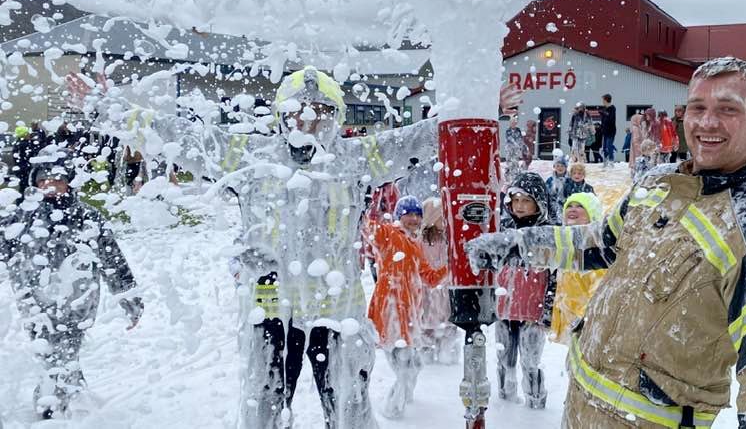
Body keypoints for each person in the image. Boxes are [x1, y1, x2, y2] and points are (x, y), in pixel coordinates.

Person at [69, 67, 443, 429]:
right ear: (281, 116)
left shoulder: (356, 158)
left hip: (336, 312)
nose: (307, 121)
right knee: (263, 410)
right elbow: (181, 137)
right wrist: (108, 109)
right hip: (270, 311)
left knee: (350, 410)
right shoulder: (250, 156)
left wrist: (474, 110)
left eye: (321, 113)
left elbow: (417, 139)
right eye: (296, 112)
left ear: (336, 117)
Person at [468, 56, 746, 428]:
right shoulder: (658, 184)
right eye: (698, 107)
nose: (708, 122)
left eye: (728, 109)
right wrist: (517, 245)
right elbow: (595, 242)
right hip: (580, 412)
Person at [0, 158, 144, 419]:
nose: (50, 186)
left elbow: (112, 259)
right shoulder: (18, 218)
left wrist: (130, 298)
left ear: (69, 184)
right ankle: (71, 392)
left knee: (65, 349)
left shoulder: (87, 217)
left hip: (78, 303)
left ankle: (51, 407)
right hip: (34, 302)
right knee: (47, 351)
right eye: (43, 181)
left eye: (57, 180)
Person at [367, 196, 448, 419]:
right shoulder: (389, 234)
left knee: (413, 364)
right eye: (408, 214)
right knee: (404, 366)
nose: (413, 219)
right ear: (398, 216)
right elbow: (369, 228)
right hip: (389, 310)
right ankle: (393, 410)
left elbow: (430, 278)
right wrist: (371, 200)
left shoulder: (414, 244)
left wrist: (450, 264)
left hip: (409, 314)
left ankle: (402, 400)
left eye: (417, 215)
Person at [494, 171, 556, 409]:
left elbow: (555, 278)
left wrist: (548, 311)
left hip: (533, 312)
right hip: (504, 308)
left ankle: (535, 403)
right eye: (515, 200)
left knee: (530, 361)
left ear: (538, 203)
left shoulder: (548, 233)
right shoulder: (503, 230)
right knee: (504, 358)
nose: (519, 206)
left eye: (526, 200)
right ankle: (505, 402)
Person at [550, 192, 605, 345]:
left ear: (592, 214)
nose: (573, 210)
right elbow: (562, 291)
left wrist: (582, 323)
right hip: (570, 328)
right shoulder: (567, 247)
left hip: (586, 330)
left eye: (580, 206)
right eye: (569, 206)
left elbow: (598, 294)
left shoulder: (595, 249)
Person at [418, 198, 459, 365]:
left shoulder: (450, 239)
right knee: (426, 322)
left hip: (446, 288)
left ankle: (448, 353)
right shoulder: (421, 241)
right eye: (441, 217)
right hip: (428, 289)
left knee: (447, 320)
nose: (445, 221)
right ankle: (426, 353)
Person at [545, 156, 568, 223]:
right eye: (558, 166)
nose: (560, 168)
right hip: (552, 210)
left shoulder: (570, 180)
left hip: (566, 209)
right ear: (554, 167)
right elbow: (546, 194)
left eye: (562, 166)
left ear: (566, 167)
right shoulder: (550, 180)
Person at [503, 116, 525, 185]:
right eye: (512, 122)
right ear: (510, 123)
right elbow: (509, 139)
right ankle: (507, 178)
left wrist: (520, 146)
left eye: (514, 122)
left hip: (516, 150)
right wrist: (515, 143)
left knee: (515, 163)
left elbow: (520, 139)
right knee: (509, 164)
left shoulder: (518, 130)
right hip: (509, 150)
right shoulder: (508, 131)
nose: (513, 123)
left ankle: (515, 177)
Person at [599, 94, 617, 166]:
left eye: (603, 100)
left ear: (606, 100)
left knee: (609, 146)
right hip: (605, 131)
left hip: (611, 131)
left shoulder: (612, 108)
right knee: (604, 147)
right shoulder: (604, 109)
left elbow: (611, 119)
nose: (602, 101)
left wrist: (604, 114)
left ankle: (611, 160)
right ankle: (605, 161)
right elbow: (603, 120)